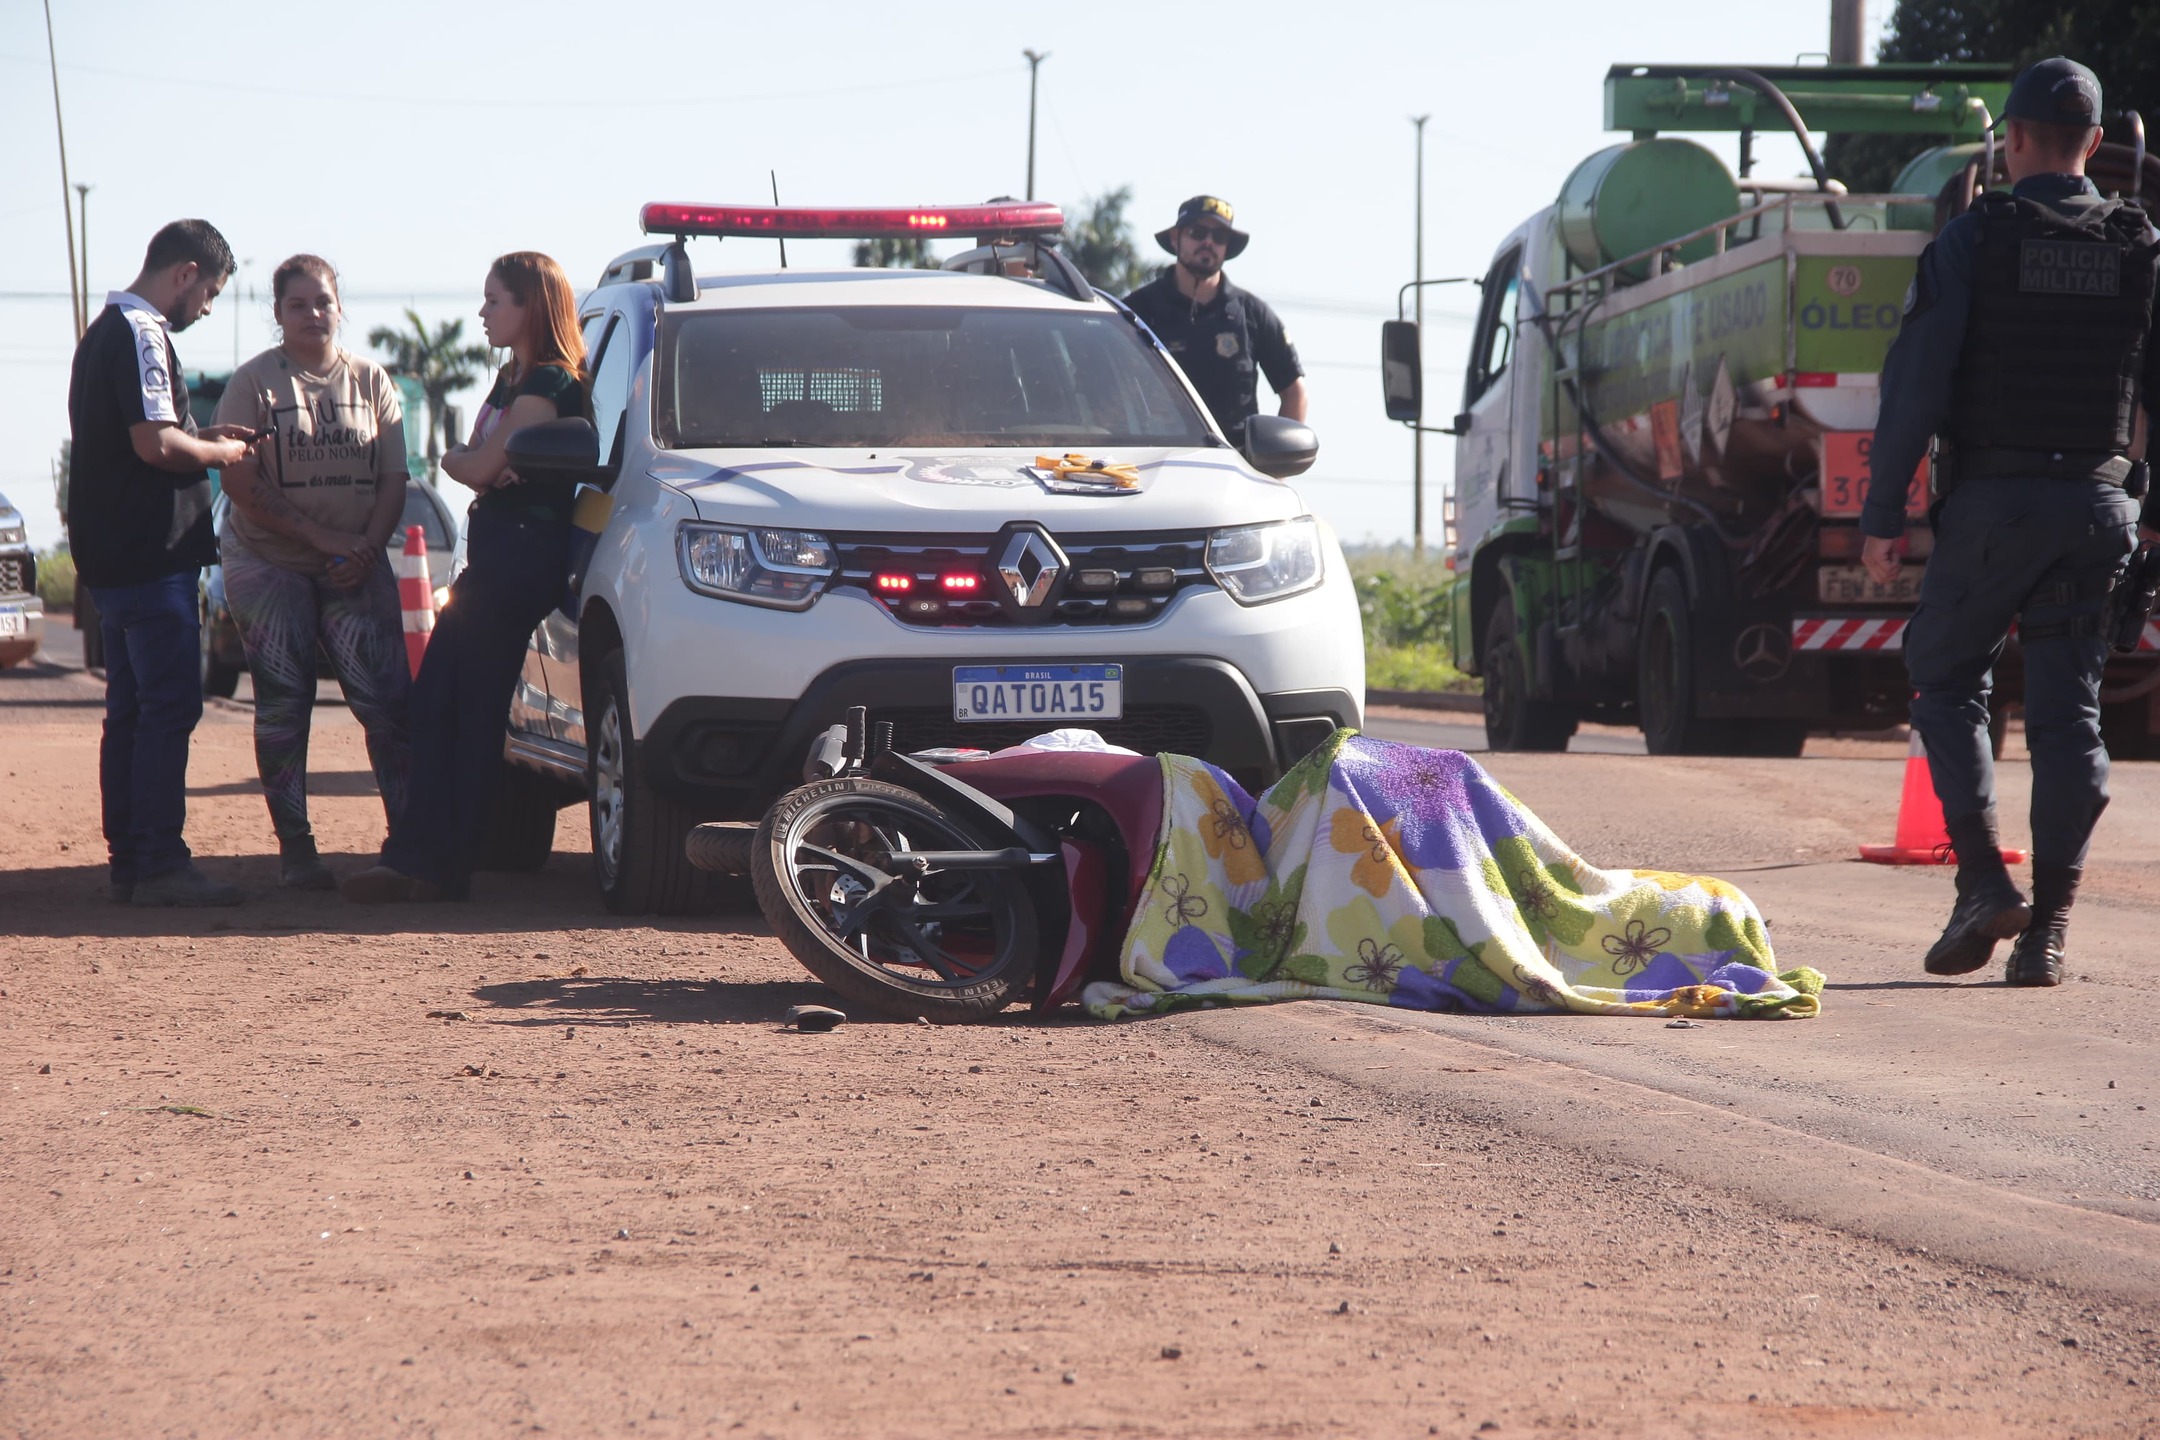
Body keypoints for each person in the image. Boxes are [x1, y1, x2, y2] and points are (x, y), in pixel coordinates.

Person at [1861, 57, 2160, 986]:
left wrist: (1881, 514)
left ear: (2013, 140)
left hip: (1994, 506)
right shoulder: (2141, 247)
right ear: (2095, 145)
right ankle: (2048, 935)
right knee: (2071, 718)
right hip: (2100, 511)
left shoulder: (1973, 241)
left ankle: (1985, 883)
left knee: (1947, 677)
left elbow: (1915, 386)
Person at [342, 252, 587, 903]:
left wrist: (465, 459)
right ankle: (421, 857)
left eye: (495, 299)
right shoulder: (512, 379)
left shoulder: (551, 383)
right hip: (497, 548)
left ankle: (436, 865)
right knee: (442, 703)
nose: (482, 312)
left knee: (463, 708)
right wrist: (475, 462)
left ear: (530, 306)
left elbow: (478, 468)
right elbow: (480, 466)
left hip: (521, 555)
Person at [67, 220, 254, 907]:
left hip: (115, 559)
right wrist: (221, 454)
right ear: (185, 274)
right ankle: (159, 862)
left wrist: (202, 434)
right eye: (210, 293)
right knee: (168, 706)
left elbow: (147, 436)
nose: (205, 308)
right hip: (151, 556)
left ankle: (131, 859)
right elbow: (155, 445)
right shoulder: (144, 333)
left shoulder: (102, 333)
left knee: (131, 710)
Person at [213, 255, 413, 889]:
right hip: (268, 561)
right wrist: (321, 538)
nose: (312, 314)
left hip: (355, 562)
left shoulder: (372, 381)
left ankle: (408, 842)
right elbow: (238, 482)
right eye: (297, 305)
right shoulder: (253, 383)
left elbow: (393, 479)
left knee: (387, 704)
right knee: (284, 701)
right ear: (278, 314)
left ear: (339, 307)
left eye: (323, 301)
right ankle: (297, 850)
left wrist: (365, 549)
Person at [1123, 195, 1308, 447]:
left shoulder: (1252, 313)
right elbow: (1101, 389)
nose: (1208, 242)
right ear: (1176, 238)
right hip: (1155, 458)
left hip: (1232, 462)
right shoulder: (1136, 311)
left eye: (1219, 237)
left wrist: (1276, 461)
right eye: (1198, 232)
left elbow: (1294, 393)